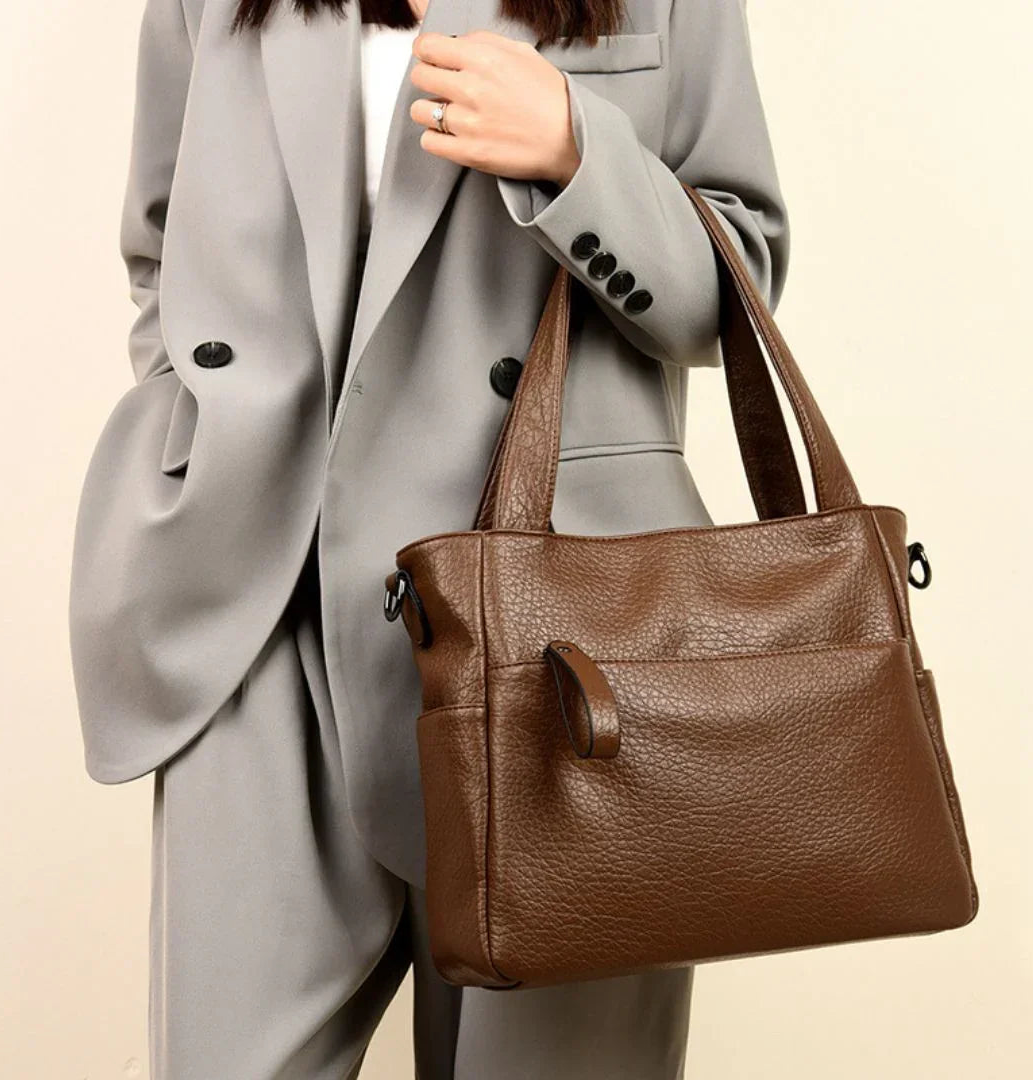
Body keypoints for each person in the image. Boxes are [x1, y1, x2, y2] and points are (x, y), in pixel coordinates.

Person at [67, 0, 789, 1075]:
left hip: (559, 650)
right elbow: (161, 254)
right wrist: (198, 428)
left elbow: (736, 288)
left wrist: (577, 150)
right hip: (262, 619)